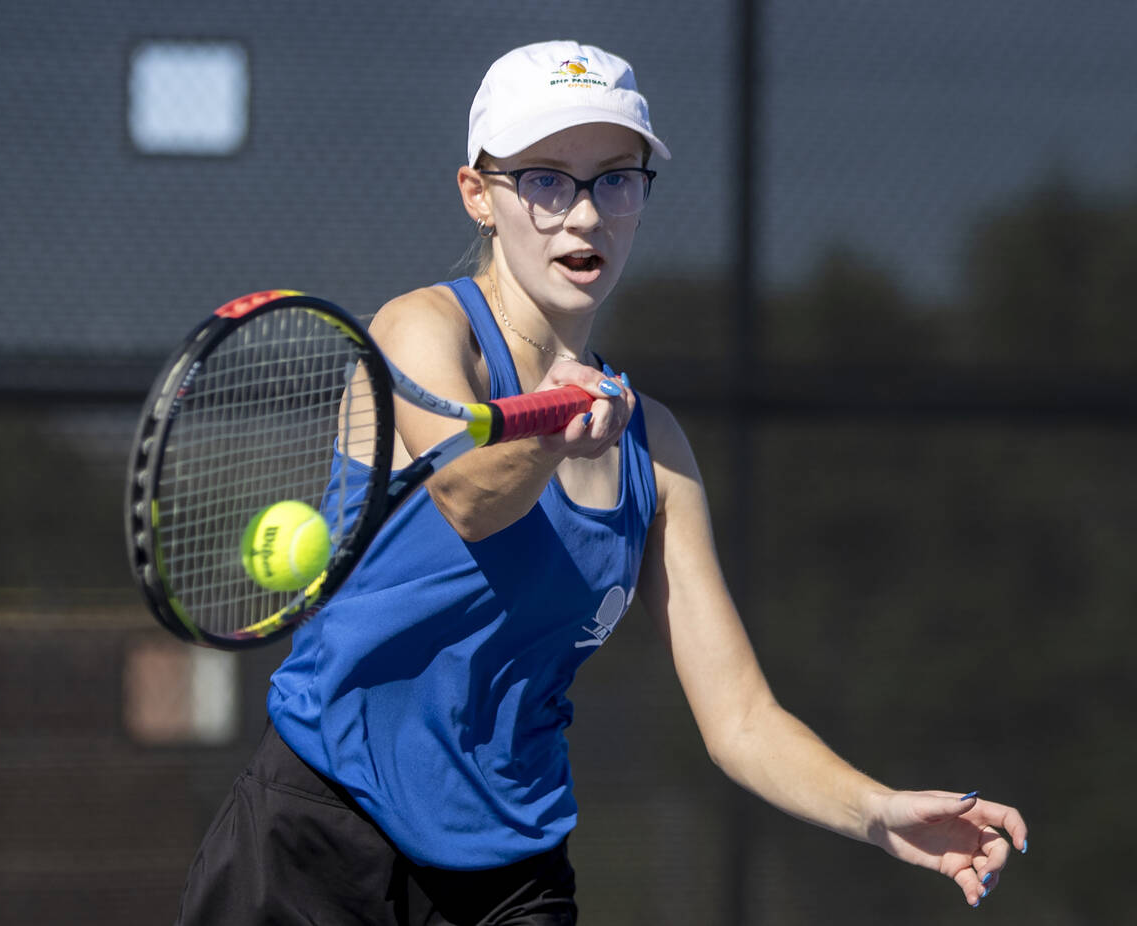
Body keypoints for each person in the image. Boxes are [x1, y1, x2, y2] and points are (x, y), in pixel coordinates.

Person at [175, 40, 1028, 925]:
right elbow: (469, 497)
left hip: (511, 874)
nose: (583, 215)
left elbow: (739, 717)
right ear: (478, 194)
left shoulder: (654, 450)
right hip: (314, 835)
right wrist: (545, 431)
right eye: (545, 179)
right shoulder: (422, 331)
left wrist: (876, 811)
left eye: (615, 179)